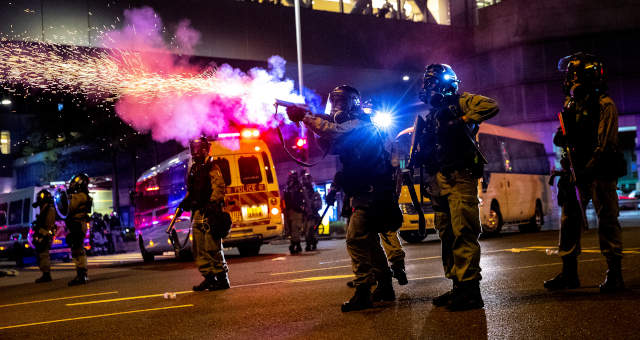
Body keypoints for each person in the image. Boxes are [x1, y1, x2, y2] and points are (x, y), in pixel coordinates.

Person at [287, 85, 402, 312]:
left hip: (371, 193)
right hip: (366, 192)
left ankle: (363, 291)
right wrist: (307, 119)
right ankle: (385, 285)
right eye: (334, 102)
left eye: (340, 102)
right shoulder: (356, 125)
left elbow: (334, 132)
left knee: (355, 240)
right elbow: (329, 140)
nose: (336, 107)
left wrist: (307, 118)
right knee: (368, 241)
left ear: (352, 104)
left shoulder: (361, 124)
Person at [416, 64, 499, 311]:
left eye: (431, 83)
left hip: (459, 177)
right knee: (447, 233)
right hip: (439, 180)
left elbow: (490, 106)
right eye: (426, 84)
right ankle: (457, 286)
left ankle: (471, 290)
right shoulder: (433, 114)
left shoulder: (460, 102)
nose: (427, 89)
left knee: (463, 230)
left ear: (443, 83)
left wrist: (461, 120)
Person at [545, 53, 625, 292]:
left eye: (575, 77)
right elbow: (566, 135)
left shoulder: (605, 104)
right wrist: (562, 137)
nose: (571, 83)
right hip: (576, 171)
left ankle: (615, 275)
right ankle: (569, 274)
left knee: (608, 221)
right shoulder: (571, 105)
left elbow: (606, 143)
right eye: (570, 78)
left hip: (600, 172)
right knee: (569, 221)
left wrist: (589, 167)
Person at [179, 137, 230, 291]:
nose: (194, 152)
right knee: (199, 249)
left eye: (196, 148)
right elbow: (192, 191)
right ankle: (209, 278)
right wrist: (185, 202)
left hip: (210, 213)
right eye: (192, 148)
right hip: (198, 213)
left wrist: (212, 204)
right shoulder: (194, 168)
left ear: (204, 149)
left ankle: (222, 279)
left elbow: (219, 187)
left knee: (212, 247)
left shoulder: (212, 166)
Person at [66, 173, 93, 286]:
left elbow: (69, 207)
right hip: (76, 224)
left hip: (78, 224)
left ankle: (81, 275)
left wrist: (66, 197)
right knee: (76, 249)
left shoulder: (80, 196)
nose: (72, 185)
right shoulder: (81, 195)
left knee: (78, 250)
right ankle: (81, 274)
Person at [32, 189, 56, 283]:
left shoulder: (49, 209)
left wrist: (41, 234)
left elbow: (48, 224)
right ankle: (45, 273)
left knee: (44, 254)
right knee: (41, 254)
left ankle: (46, 275)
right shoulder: (45, 208)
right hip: (42, 234)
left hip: (45, 234)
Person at [283, 170, 305, 254]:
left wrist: (307, 209)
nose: (291, 178)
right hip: (289, 211)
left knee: (295, 228)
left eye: (293, 176)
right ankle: (295, 243)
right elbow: (284, 198)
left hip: (297, 210)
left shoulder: (299, 186)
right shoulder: (287, 187)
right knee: (290, 229)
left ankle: (296, 244)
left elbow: (304, 197)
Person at [301, 171, 321, 251]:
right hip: (306, 215)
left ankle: (312, 243)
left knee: (311, 230)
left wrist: (314, 208)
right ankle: (309, 243)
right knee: (307, 230)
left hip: (313, 214)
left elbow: (319, 203)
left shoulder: (314, 192)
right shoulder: (302, 192)